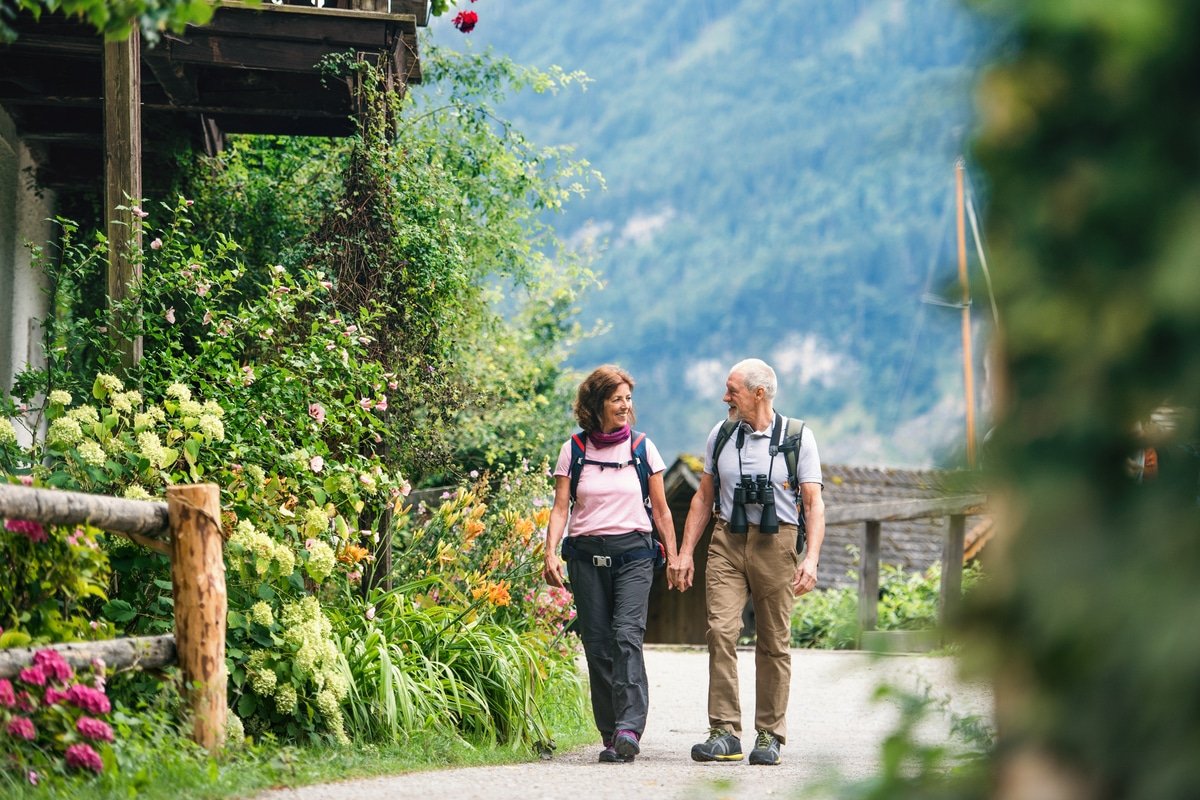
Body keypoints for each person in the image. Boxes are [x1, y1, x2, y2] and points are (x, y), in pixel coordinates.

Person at [670, 358, 825, 766]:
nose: (725, 397)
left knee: (773, 641)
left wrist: (811, 559)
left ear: (759, 393)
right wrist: (686, 552)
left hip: (778, 543)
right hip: (727, 540)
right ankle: (724, 732)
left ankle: (769, 734)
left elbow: (813, 502)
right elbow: (704, 497)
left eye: (732, 389)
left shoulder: (797, 438)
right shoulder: (720, 435)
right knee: (721, 630)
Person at [543, 365, 679, 764]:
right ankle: (610, 734)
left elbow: (663, 511)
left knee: (625, 636)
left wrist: (675, 555)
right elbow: (559, 508)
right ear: (597, 403)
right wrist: (550, 551)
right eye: (617, 399)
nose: (625, 406)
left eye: (628, 399)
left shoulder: (642, 448)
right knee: (598, 644)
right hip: (586, 559)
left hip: (634, 556)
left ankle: (629, 728)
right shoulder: (574, 450)